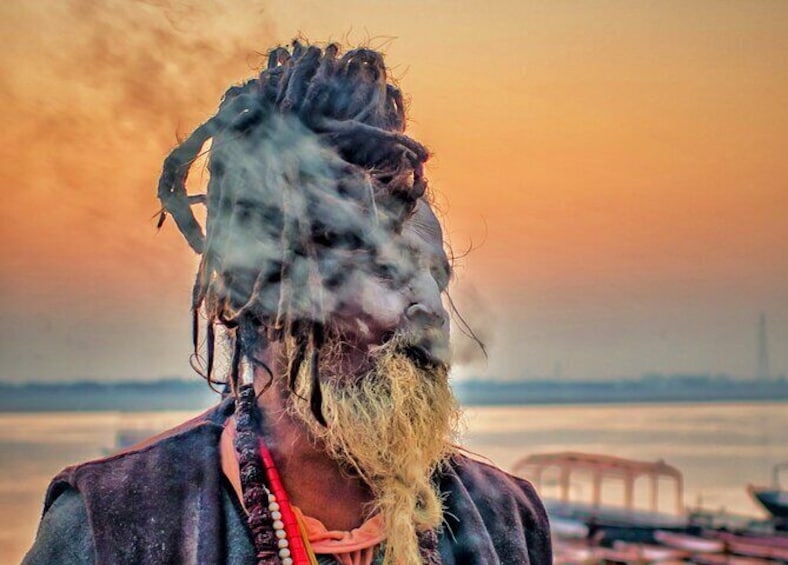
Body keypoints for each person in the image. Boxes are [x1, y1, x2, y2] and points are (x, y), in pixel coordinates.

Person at [24, 42, 552, 565]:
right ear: (254, 293)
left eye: (435, 276)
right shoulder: (112, 523)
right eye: (386, 273)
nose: (430, 312)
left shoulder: (506, 518)